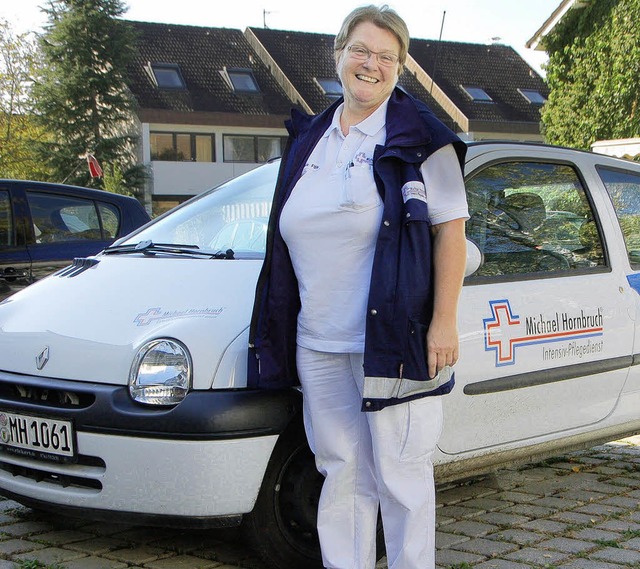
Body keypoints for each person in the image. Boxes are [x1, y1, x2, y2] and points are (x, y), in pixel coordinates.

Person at [248, 4, 468, 568]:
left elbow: (450, 233)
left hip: (396, 340)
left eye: (387, 56)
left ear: (401, 68)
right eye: (362, 51)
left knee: (402, 475)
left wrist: (444, 323)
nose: (372, 64)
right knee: (342, 471)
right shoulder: (311, 138)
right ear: (339, 54)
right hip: (318, 340)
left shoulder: (423, 139)